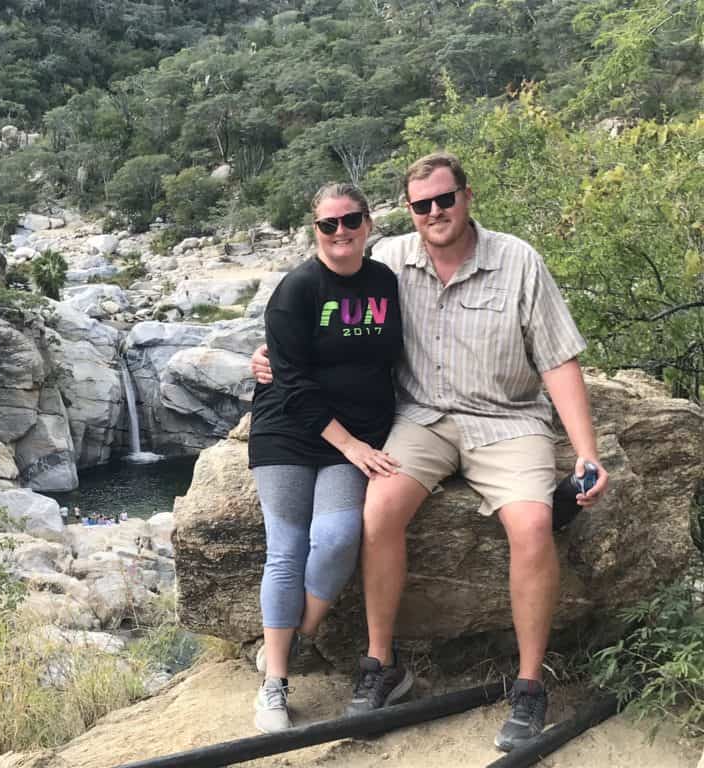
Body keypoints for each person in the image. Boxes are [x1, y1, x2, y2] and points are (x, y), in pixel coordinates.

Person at [251, 152, 609, 752]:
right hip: (421, 418)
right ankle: (379, 664)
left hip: (507, 420)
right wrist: (267, 359)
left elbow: (558, 359)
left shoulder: (517, 260)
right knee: (379, 511)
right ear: (408, 211)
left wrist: (586, 452)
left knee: (532, 524)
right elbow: (317, 306)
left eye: (445, 199)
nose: (435, 212)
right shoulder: (389, 259)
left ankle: (527, 687)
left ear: (466, 197)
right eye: (422, 205)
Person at [249, 182, 403, 733]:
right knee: (286, 546)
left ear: (369, 222)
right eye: (329, 224)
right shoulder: (296, 290)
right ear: (314, 228)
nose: (341, 232)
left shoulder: (386, 281)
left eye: (351, 220)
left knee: (338, 536)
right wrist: (352, 445)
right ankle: (275, 685)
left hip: (356, 433)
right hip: (290, 431)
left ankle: (286, 642)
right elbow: (291, 384)